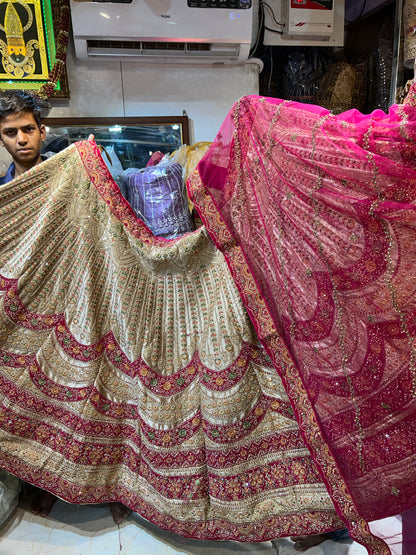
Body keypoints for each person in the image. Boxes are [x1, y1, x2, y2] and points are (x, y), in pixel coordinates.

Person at [0, 89, 129, 525]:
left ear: (42, 130)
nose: (21, 140)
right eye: (10, 132)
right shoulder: (3, 199)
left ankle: (96, 483)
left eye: (28, 130)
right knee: (29, 395)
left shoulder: (72, 177)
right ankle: (38, 482)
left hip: (75, 299)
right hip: (23, 311)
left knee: (83, 391)